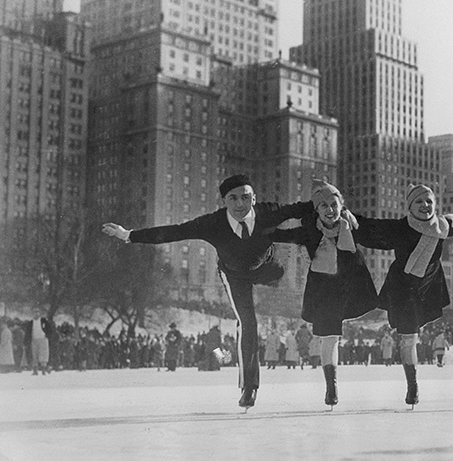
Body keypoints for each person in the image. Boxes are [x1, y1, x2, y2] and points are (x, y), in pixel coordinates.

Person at [102, 173, 316, 409]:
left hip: (266, 266)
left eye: (245, 197)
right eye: (233, 198)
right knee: (247, 323)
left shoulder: (268, 212)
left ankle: (279, 271)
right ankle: (249, 387)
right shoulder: (213, 223)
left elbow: (301, 208)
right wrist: (128, 235)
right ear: (224, 201)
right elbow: (175, 231)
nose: (240, 204)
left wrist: (334, 206)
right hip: (234, 276)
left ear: (254, 198)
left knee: (283, 265)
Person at [353, 184, 453, 407]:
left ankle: (412, 382)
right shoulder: (400, 227)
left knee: (412, 336)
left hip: (427, 287)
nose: (425, 205)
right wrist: (346, 216)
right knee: (409, 338)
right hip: (403, 287)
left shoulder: (442, 225)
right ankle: (412, 385)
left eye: (429, 201)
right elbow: (369, 226)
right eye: (419, 201)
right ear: (410, 206)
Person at [271, 180, 378, 407]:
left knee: (334, 338)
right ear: (317, 210)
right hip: (324, 291)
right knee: (329, 339)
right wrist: (255, 229)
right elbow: (281, 235)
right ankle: (331, 386)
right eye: (323, 206)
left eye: (333, 204)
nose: (330, 210)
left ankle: (332, 385)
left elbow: (383, 234)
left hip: (349, 289)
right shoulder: (310, 231)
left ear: (341, 205)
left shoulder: (354, 227)